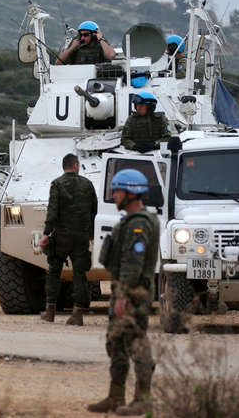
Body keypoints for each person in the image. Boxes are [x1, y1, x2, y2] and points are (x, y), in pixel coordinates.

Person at [87, 169, 158, 415]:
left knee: (136, 344)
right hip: (124, 290)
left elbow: (132, 263)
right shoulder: (131, 220)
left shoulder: (139, 224)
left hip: (133, 294)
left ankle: (143, 399)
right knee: (116, 342)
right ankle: (115, 397)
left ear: (131, 193)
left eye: (117, 191)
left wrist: (123, 296)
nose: (114, 195)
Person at [39, 154, 97, 325]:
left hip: (61, 237)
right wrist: (92, 233)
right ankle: (77, 313)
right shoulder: (87, 184)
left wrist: (46, 233)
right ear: (76, 165)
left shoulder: (57, 184)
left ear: (64, 166)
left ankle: (50, 311)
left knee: (54, 272)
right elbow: (94, 210)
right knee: (80, 274)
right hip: (81, 237)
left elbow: (53, 211)